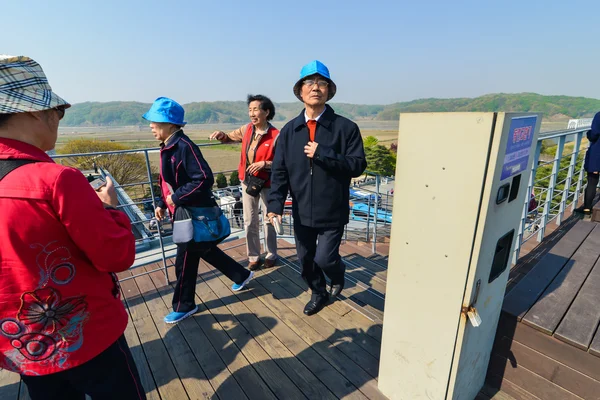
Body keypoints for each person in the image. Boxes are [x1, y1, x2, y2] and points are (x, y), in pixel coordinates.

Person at [0, 55, 146, 399]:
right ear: (33, 111)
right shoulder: (56, 180)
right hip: (86, 335)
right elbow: (116, 255)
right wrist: (110, 209)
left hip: (23, 345)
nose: (58, 120)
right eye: (58, 111)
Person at [267, 60, 367, 316]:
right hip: (301, 210)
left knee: (325, 259)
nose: (316, 87)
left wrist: (323, 153)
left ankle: (337, 274)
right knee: (305, 260)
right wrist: (275, 206)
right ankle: (318, 293)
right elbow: (279, 172)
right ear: (300, 91)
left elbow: (357, 165)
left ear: (329, 91)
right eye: (309, 83)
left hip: (332, 209)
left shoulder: (345, 128)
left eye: (322, 83)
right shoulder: (290, 131)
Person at [145, 97, 253, 324]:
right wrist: (161, 203)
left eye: (155, 122)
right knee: (203, 250)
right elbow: (165, 181)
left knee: (184, 260)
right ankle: (240, 275)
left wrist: (174, 198)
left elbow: (204, 178)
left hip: (192, 214)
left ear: (170, 125)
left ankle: (184, 305)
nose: (151, 126)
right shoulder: (168, 146)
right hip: (183, 212)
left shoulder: (184, 147)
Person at [210, 95, 280, 270]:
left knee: (268, 219)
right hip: (248, 181)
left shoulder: (276, 135)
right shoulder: (247, 129)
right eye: (250, 110)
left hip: (267, 182)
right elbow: (229, 137)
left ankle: (271, 253)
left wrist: (265, 164)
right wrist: (221, 135)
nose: (252, 113)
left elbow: (283, 161)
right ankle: (254, 256)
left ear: (267, 112)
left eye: (256, 109)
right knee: (249, 220)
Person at [576, 111, 600, 215]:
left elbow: (594, 134)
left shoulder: (599, 115)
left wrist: (588, 134)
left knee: (592, 181)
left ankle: (587, 208)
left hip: (598, 152)